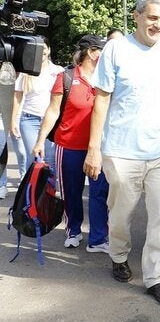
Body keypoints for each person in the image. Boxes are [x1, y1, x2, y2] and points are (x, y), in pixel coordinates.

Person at [85, 0, 160, 305]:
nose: (157, 24)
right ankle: (118, 255)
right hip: (121, 151)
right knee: (120, 215)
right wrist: (94, 148)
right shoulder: (117, 49)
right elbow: (101, 99)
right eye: (152, 17)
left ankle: (155, 277)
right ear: (137, 16)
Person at [33, 35, 110, 252]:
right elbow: (52, 110)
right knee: (71, 192)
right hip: (68, 147)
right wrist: (40, 140)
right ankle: (73, 231)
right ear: (92, 52)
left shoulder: (107, 78)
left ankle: (98, 239)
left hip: (99, 148)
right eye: (103, 50)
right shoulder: (65, 77)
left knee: (100, 192)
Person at [11, 36, 63, 178]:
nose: (42, 53)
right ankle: (31, 194)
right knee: (33, 157)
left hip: (52, 121)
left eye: (44, 49)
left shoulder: (58, 71)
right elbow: (17, 96)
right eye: (38, 49)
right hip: (29, 120)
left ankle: (49, 194)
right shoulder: (25, 71)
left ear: (49, 49)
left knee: (50, 159)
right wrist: (12, 120)